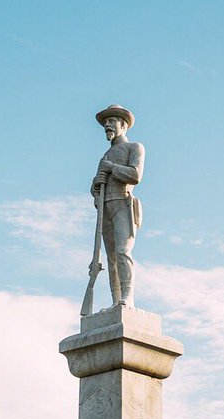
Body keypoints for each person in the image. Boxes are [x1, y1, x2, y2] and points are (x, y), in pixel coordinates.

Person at [91, 104, 143, 308]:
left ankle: (127, 297)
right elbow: (95, 190)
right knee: (111, 257)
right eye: (106, 122)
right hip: (105, 208)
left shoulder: (134, 148)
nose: (107, 125)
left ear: (123, 124)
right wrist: (95, 185)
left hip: (123, 203)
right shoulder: (104, 157)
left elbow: (135, 175)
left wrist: (112, 168)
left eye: (111, 121)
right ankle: (116, 300)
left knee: (123, 252)